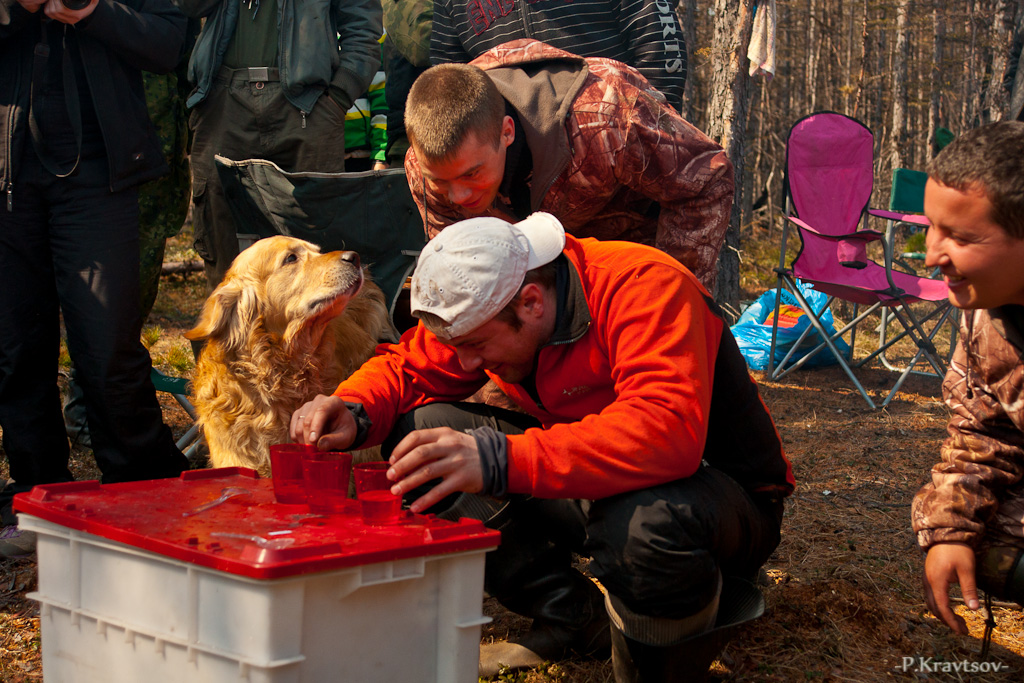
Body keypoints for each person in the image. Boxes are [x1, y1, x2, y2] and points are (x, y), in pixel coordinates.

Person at [291, 212, 793, 680]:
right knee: (422, 439)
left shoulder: (644, 285)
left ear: (532, 302)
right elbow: (409, 367)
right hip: (604, 485)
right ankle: (575, 619)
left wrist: (501, 459)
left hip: (717, 500)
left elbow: (666, 432)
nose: (466, 365)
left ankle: (660, 662)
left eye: (477, 347)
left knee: (643, 523)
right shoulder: (495, 301)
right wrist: (353, 408)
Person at [0, 0, 191, 558]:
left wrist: (93, 12)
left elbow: (167, 44)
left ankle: (144, 489)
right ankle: (39, 495)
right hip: (8, 173)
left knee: (108, 347)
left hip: (101, 171)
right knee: (16, 348)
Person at [403, 39, 733, 291]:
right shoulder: (423, 166)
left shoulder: (609, 117)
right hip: (537, 288)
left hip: (632, 260)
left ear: (506, 132)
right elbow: (467, 273)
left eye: (472, 174)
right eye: (441, 181)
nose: (458, 196)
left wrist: (668, 294)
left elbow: (706, 181)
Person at [177, 0, 381, 290]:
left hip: (309, 106)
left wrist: (337, 98)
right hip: (223, 102)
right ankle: (232, 320)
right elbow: (187, 6)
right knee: (221, 241)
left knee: (317, 244)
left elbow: (363, 28)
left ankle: (318, 320)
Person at [912, 121, 1024, 636]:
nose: (932, 255)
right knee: (982, 543)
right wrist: (951, 532)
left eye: (960, 237)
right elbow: (981, 431)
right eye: (932, 227)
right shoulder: (984, 314)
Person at [430, 0, 687, 111]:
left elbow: (660, 54)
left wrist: (652, 140)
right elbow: (447, 81)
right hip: (509, 175)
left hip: (620, 159)